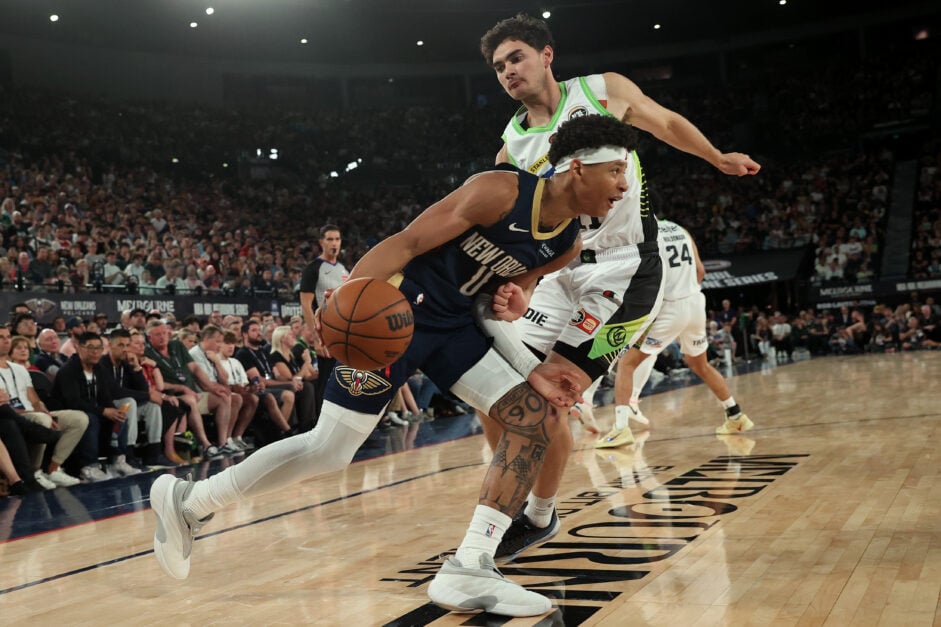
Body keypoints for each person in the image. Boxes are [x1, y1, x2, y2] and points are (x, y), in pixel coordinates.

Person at [150, 114, 632, 618]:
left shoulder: (566, 242)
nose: (624, 185)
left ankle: (471, 564)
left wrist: (519, 322)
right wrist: (347, 305)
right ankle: (191, 500)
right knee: (329, 450)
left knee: (534, 419)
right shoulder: (501, 191)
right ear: (579, 167)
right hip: (395, 321)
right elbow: (407, 243)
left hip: (457, 331)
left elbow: (499, 304)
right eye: (617, 171)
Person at [470, 13, 761, 563]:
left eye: (516, 57)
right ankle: (517, 483)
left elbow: (665, 122)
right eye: (498, 66)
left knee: (552, 394)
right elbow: (513, 221)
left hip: (627, 271)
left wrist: (716, 156)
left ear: (546, 55)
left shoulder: (602, 91)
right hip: (560, 270)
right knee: (497, 392)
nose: (508, 71)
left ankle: (537, 514)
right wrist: (520, 281)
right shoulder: (511, 143)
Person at [610, 220, 753, 436]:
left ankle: (620, 430)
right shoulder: (681, 229)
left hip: (670, 305)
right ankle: (735, 415)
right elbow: (701, 270)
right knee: (700, 364)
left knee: (627, 363)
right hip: (695, 302)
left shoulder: (644, 232)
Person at [299, 225, 348, 416]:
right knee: (327, 381)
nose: (334, 243)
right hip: (325, 331)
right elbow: (305, 304)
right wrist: (317, 336)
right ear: (321, 242)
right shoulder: (313, 268)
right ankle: (320, 426)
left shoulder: (344, 269)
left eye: (337, 239)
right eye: (330, 239)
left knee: (342, 380)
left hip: (343, 332)